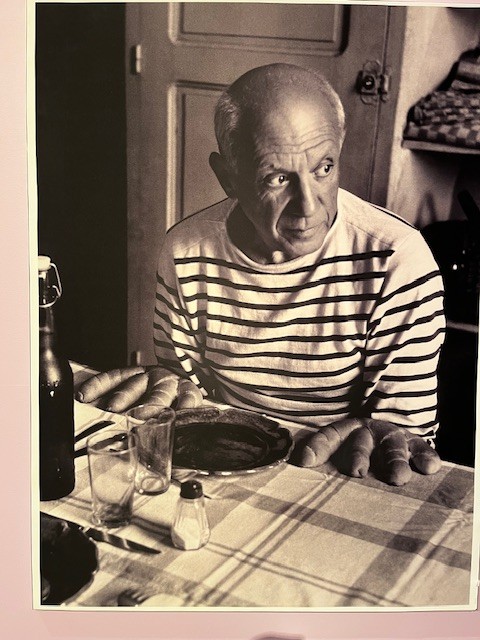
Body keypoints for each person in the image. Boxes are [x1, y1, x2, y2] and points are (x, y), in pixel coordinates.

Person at [78, 63, 446, 485]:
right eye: (278, 178)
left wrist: (383, 433)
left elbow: (403, 434)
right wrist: (172, 385)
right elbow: (188, 394)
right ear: (227, 177)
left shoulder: (397, 261)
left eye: (324, 168)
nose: (308, 205)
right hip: (228, 461)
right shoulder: (185, 252)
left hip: (342, 472)